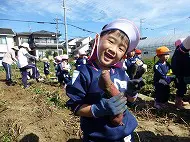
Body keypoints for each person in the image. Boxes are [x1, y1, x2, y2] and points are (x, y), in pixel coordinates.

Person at [66, 19, 142, 142]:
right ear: (98, 39)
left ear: (124, 55)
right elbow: (75, 107)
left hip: (125, 135)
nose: (113, 49)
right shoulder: (83, 72)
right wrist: (98, 109)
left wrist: (133, 90)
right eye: (111, 41)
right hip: (98, 137)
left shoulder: (122, 73)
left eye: (121, 48)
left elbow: (131, 100)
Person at [171, 37, 190, 109]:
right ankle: (178, 103)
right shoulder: (178, 55)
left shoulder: (184, 54)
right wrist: (176, 75)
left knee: (183, 88)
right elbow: (176, 67)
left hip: (184, 74)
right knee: (181, 88)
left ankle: (180, 101)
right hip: (180, 75)